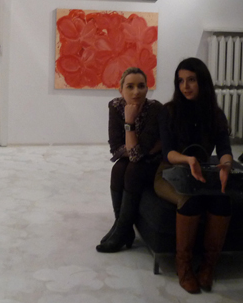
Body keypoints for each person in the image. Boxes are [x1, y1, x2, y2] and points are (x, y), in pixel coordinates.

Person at [155, 57, 233, 294]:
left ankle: (208, 266)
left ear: (203, 82)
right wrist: (188, 159)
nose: (185, 86)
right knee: (190, 200)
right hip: (169, 172)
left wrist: (226, 165)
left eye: (191, 80)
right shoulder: (169, 111)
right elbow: (168, 153)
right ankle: (184, 267)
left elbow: (224, 149)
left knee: (222, 200)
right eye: (180, 81)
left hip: (201, 171)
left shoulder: (215, 114)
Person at [96, 67, 163, 253]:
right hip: (141, 156)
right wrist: (137, 149)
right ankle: (121, 226)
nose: (136, 92)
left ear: (147, 88)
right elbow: (116, 148)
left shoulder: (155, 109)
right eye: (130, 86)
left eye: (141, 86)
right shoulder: (115, 106)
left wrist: (130, 122)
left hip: (155, 162)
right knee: (118, 169)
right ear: (121, 90)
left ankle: (122, 229)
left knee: (133, 169)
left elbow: (136, 155)